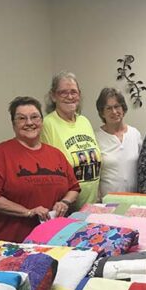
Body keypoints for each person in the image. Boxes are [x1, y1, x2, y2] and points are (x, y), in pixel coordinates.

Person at [0, 96, 80, 243]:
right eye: (22, 118)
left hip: (52, 239)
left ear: (41, 121)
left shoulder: (56, 154)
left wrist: (65, 202)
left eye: (34, 117)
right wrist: (28, 212)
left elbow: (74, 187)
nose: (29, 123)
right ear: (13, 124)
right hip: (10, 242)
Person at [41, 71, 101, 208]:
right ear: (53, 96)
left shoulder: (84, 121)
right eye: (63, 92)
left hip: (91, 205)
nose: (70, 96)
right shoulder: (48, 124)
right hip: (65, 206)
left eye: (74, 92)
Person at [95, 87, 142, 198]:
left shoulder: (134, 134)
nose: (114, 112)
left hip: (134, 199)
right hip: (108, 202)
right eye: (109, 108)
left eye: (117, 106)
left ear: (123, 109)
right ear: (102, 113)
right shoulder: (96, 137)